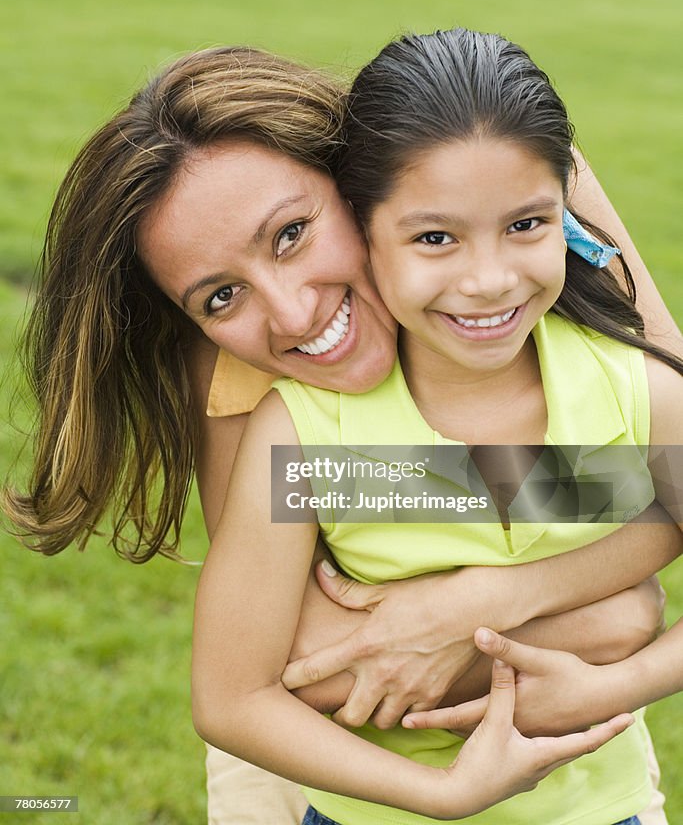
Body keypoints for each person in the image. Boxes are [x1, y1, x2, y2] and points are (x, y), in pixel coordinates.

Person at [3, 44, 680, 823]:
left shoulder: (485, 186)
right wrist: (601, 618)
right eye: (222, 296)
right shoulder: (275, 416)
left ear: (359, 185)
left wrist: (508, 593)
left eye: (291, 234)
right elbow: (300, 664)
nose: (294, 315)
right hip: (330, 768)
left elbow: (657, 457)